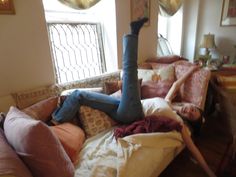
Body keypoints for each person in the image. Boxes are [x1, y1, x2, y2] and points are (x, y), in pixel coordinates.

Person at [51, 18, 216, 177]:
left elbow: (193, 149)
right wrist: (193, 69)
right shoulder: (169, 102)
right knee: (79, 95)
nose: (189, 109)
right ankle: (56, 120)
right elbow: (177, 84)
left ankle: (134, 33)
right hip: (123, 108)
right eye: (193, 108)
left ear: (188, 119)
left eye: (191, 114)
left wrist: (209, 172)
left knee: (130, 70)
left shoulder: (178, 123)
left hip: (133, 113)